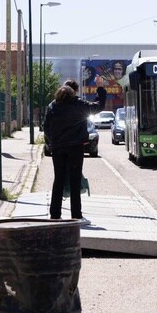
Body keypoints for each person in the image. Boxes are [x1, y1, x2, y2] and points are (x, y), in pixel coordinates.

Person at [43, 79, 106, 221]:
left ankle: (55, 214)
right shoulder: (78, 105)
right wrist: (100, 88)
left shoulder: (52, 106)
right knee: (75, 179)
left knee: (58, 179)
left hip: (58, 148)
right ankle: (76, 214)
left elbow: (45, 127)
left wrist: (52, 141)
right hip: (75, 148)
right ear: (74, 93)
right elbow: (98, 106)